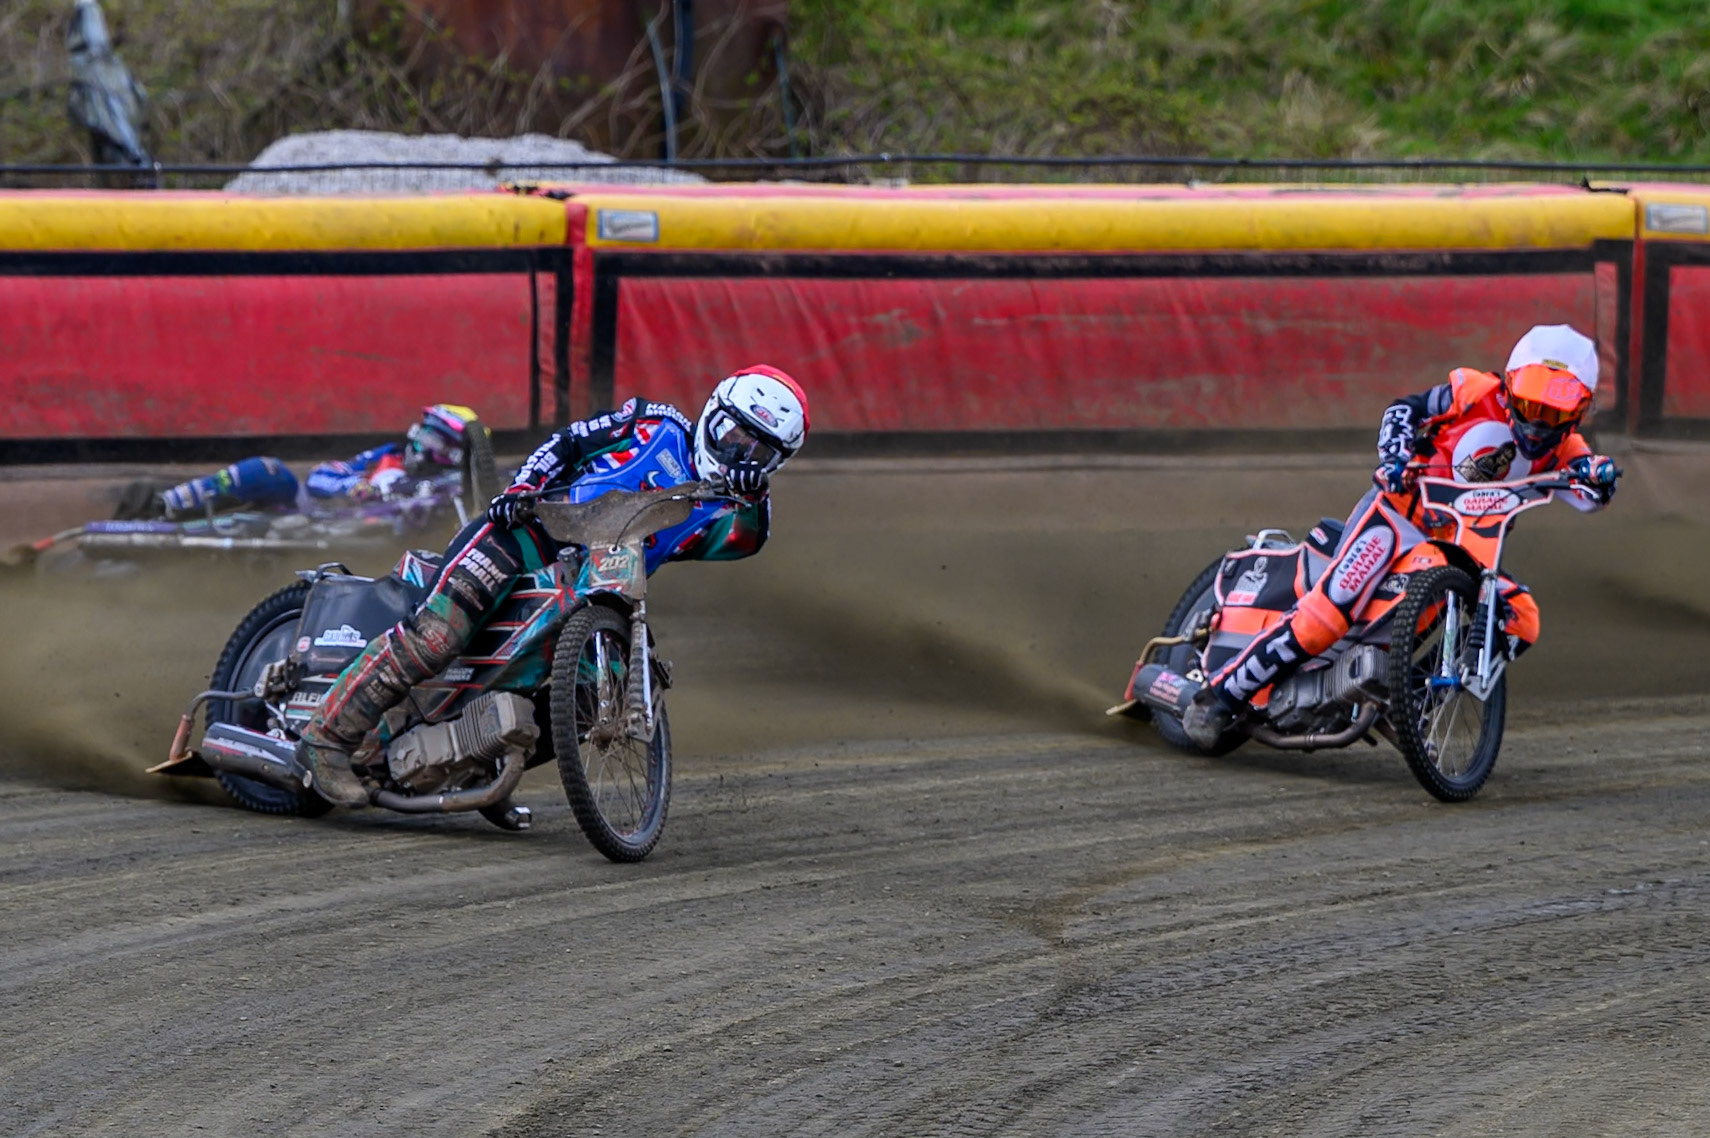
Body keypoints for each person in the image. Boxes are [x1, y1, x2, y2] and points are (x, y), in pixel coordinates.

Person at [295, 366, 810, 806]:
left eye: (757, 452)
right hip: (526, 532)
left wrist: (753, 493)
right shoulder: (655, 423)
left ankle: (475, 771)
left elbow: (751, 539)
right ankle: (326, 740)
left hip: (595, 586)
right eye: (731, 435)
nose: (738, 453)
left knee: (588, 695)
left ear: (773, 464)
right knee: (437, 636)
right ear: (712, 411)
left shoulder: (730, 513)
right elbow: (569, 441)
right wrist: (522, 488)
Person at [1181, 324, 1622, 750]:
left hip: (1460, 551)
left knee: (1522, 617)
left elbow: (1591, 494)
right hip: (1398, 516)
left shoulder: (1568, 451)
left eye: (1556, 413)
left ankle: (1414, 696)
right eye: (1531, 405)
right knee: (1332, 611)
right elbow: (1404, 409)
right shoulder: (1471, 391)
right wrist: (1395, 456)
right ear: (1508, 386)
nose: (1538, 425)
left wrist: (1601, 478)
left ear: (1579, 413)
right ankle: (1222, 696)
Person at [122, 404, 480, 520]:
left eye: (429, 438)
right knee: (269, 471)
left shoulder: (463, 489)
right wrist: (354, 487)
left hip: (367, 548)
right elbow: (321, 475)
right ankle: (164, 507)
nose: (417, 442)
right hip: (316, 519)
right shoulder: (387, 456)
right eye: (419, 432)